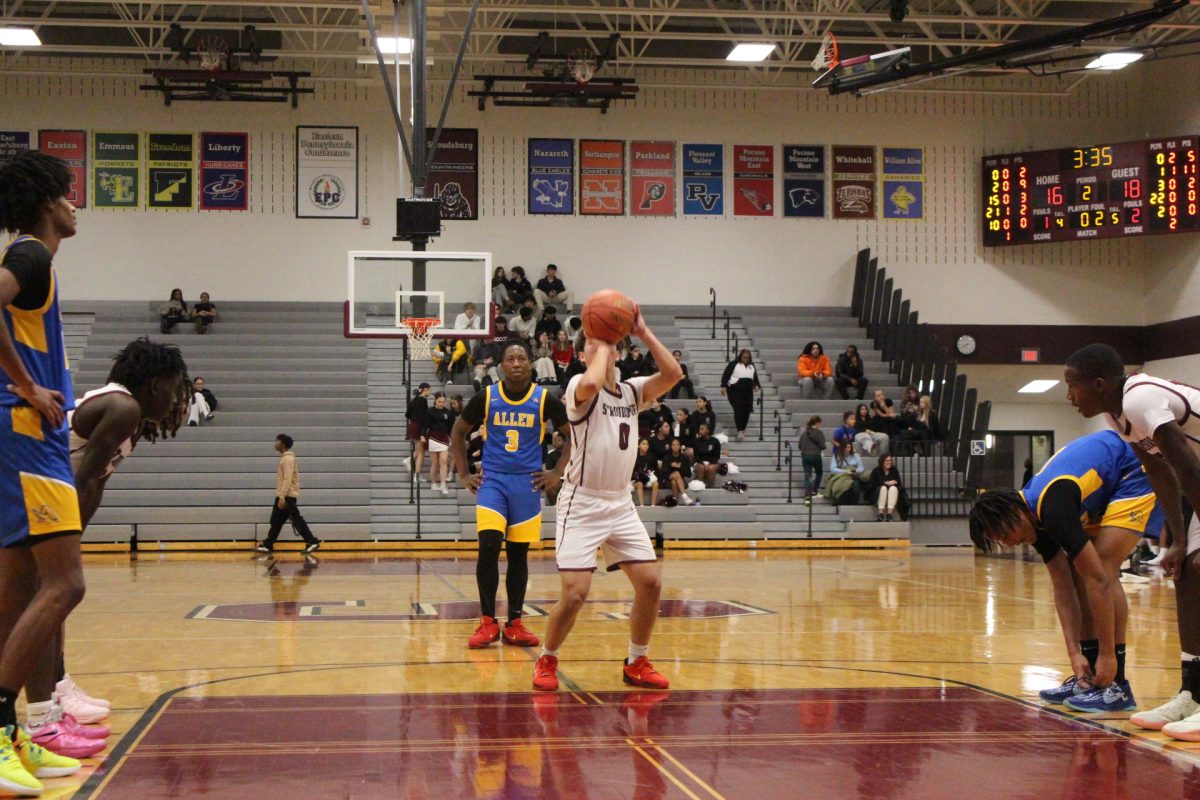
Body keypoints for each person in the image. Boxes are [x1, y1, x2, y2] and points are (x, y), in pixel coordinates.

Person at [27, 337, 190, 758]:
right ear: (153, 384)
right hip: (32, 495)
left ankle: (54, 693)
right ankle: (41, 710)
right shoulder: (123, 408)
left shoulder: (126, 411)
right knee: (49, 596)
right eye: (173, 389)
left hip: (42, 498)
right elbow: (82, 477)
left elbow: (94, 481)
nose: (175, 399)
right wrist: (66, 537)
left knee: (53, 597)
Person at [0, 149, 91, 792]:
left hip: (21, 435)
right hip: (28, 435)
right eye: (67, 193)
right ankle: (2, 727)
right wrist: (30, 388)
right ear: (44, 203)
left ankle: (20, 735)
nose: (73, 203)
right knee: (66, 585)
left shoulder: (38, 263)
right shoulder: (30, 254)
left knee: (17, 590)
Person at [531, 312, 683, 692]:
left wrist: (644, 332)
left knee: (650, 582)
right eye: (592, 348)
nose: (602, 351)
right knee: (576, 594)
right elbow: (595, 380)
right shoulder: (577, 387)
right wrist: (599, 342)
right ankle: (547, 657)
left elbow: (674, 374)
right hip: (580, 503)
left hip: (619, 503)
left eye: (609, 346)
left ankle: (637, 660)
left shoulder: (632, 390)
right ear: (584, 356)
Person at [969, 430, 1167, 715]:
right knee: (1078, 574)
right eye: (999, 541)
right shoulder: (1036, 520)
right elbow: (1063, 590)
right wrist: (1074, 654)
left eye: (1002, 533)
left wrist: (1108, 655)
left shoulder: (1052, 507)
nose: (1007, 542)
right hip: (1104, 486)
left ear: (1014, 510)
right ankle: (1088, 679)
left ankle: (1118, 684)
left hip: (1132, 470)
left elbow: (1098, 580)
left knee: (1103, 569)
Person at [1062, 344, 1200, 735]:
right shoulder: (1117, 413)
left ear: (1100, 384)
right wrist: (1174, 539)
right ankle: (1193, 692)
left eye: (1073, 386)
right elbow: (1161, 470)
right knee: (1187, 574)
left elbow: (1188, 467)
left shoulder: (1140, 398)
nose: (1069, 396)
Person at [450, 340, 571, 650]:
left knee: (518, 555)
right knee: (488, 544)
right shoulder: (487, 397)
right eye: (510, 359)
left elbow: (573, 436)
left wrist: (556, 472)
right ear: (501, 365)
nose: (516, 363)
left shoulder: (545, 399)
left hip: (527, 485)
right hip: (493, 482)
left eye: (521, 358)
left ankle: (514, 623)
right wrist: (464, 474)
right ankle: (488, 621)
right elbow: (458, 432)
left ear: (530, 364)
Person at [255, 434, 321, 554]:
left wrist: (282, 496)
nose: (275, 443)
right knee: (276, 520)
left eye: (278, 441)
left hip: (287, 496)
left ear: (283, 444)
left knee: (295, 520)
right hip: (285, 495)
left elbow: (288, 478)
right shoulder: (285, 458)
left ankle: (312, 541)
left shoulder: (288, 459)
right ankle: (268, 544)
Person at [720, 348, 760, 442]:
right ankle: (739, 430)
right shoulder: (733, 364)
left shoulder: (752, 366)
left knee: (747, 409)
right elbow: (726, 375)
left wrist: (757, 385)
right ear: (740, 357)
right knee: (739, 408)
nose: (746, 359)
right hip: (734, 390)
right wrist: (723, 386)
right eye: (744, 357)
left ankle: (743, 428)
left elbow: (755, 378)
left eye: (747, 358)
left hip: (748, 391)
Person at [423, 392, 454, 494]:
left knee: (444, 461)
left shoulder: (448, 412)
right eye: (439, 401)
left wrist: (452, 438)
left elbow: (450, 427)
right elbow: (425, 425)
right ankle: (433, 483)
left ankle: (443, 484)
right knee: (434, 462)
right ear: (435, 400)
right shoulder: (430, 411)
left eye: (443, 402)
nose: (441, 403)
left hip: (444, 438)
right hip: (433, 437)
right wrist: (422, 435)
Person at [867, 454, 904, 521]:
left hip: (891, 493)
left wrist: (895, 483)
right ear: (882, 461)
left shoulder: (894, 470)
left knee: (893, 488)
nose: (889, 462)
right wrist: (885, 483)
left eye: (890, 460)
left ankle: (889, 514)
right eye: (887, 461)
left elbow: (899, 483)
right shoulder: (876, 470)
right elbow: (872, 484)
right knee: (883, 488)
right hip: (879, 493)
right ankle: (880, 513)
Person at [406, 383, 431, 480]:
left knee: (420, 450)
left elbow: (407, 414)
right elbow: (423, 417)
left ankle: (409, 460)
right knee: (421, 453)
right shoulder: (423, 400)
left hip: (412, 425)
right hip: (418, 426)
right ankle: (416, 475)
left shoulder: (414, 399)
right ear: (425, 390)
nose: (430, 392)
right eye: (429, 390)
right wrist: (422, 433)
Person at [659, 438, 694, 505]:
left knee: (675, 480)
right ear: (671, 446)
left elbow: (689, 474)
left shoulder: (684, 457)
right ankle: (684, 496)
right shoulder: (667, 457)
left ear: (680, 446)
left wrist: (679, 467)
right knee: (675, 476)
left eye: (677, 445)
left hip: (681, 481)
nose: (675, 446)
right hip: (668, 480)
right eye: (673, 445)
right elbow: (663, 474)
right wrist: (670, 467)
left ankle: (675, 502)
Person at [799, 415, 827, 499]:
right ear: (817, 423)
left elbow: (800, 445)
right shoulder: (819, 432)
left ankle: (807, 494)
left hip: (806, 456)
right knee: (819, 472)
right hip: (816, 455)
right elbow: (822, 446)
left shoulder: (805, 433)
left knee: (808, 475)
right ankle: (814, 491)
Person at [631, 439, 659, 507]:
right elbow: (630, 471)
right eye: (643, 444)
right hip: (635, 480)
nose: (646, 446)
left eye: (647, 444)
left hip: (648, 479)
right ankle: (642, 505)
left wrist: (650, 476)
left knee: (655, 483)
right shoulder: (633, 456)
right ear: (638, 445)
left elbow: (656, 470)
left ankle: (653, 505)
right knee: (640, 483)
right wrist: (637, 476)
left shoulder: (652, 456)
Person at [692, 422, 721, 488]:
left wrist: (709, 463)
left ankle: (711, 487)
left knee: (711, 468)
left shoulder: (715, 441)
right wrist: (702, 463)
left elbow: (717, 456)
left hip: (712, 462)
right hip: (699, 462)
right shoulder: (696, 441)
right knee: (701, 467)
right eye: (699, 429)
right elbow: (695, 456)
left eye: (702, 429)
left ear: (708, 430)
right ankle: (700, 487)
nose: (700, 431)